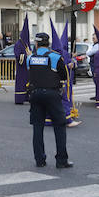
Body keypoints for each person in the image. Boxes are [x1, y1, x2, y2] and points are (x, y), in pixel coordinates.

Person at [26, 32, 72, 168]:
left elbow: (30, 73)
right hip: (52, 94)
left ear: (36, 43)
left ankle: (39, 160)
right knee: (59, 126)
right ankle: (61, 160)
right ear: (48, 43)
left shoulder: (30, 58)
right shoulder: (56, 57)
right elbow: (64, 75)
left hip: (35, 94)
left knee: (37, 127)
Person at [13, 15, 30, 104]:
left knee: (28, 83)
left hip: (28, 68)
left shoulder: (27, 44)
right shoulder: (18, 44)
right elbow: (18, 56)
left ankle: (27, 97)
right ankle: (19, 98)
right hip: (21, 68)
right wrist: (27, 56)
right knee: (21, 82)